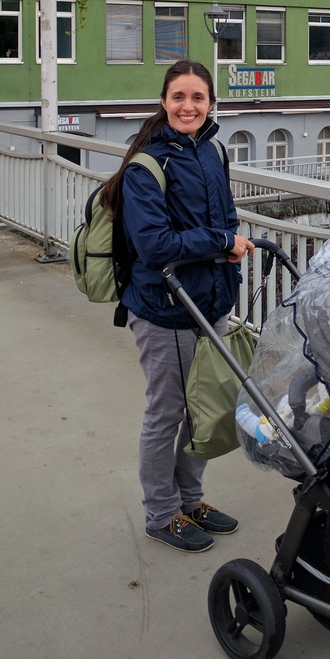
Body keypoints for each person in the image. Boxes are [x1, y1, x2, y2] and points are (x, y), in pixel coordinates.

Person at [98, 60, 255, 552]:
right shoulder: (147, 165)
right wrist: (221, 242)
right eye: (179, 97)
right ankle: (161, 513)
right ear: (163, 102)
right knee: (167, 413)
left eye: (198, 97)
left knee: (203, 410)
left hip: (210, 302)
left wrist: (229, 248)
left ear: (211, 104)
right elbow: (154, 245)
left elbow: (225, 216)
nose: (188, 106)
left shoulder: (213, 150)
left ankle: (190, 500)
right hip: (164, 307)